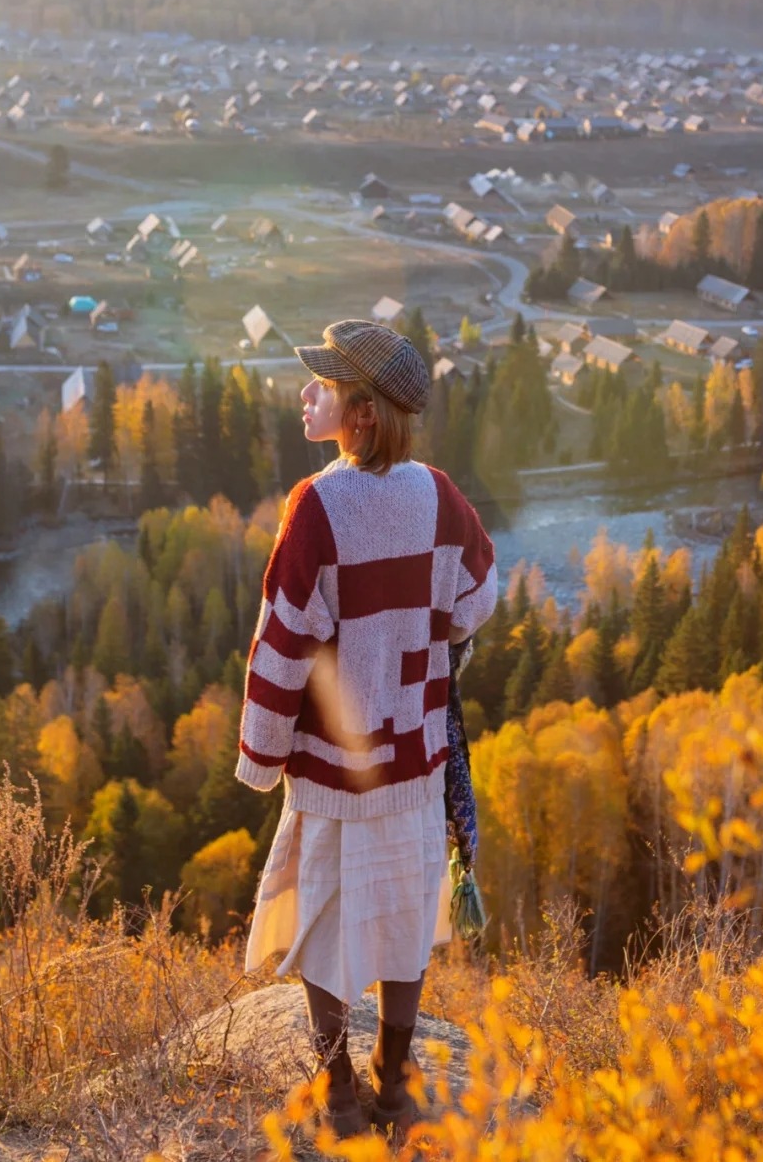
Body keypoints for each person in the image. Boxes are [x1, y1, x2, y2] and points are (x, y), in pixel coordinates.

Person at [236, 319, 497, 1137]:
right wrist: (421, 636)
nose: (306, 394)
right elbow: (478, 602)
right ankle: (393, 1079)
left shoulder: (315, 507)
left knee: (324, 927)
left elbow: (282, 642)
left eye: (324, 385)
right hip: (414, 762)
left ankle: (338, 1091)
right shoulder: (439, 497)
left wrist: (260, 753)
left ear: (364, 413)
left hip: (331, 770)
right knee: (403, 920)